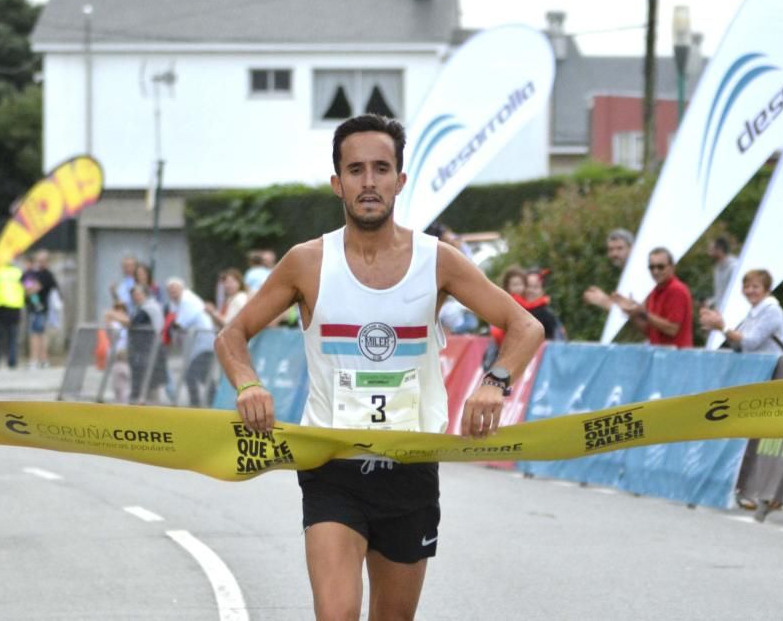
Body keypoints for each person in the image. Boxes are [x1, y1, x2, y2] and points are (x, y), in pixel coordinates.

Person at [214, 114, 543, 620]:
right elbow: (232, 336)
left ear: (400, 180)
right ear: (337, 183)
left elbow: (526, 327)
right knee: (338, 615)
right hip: (332, 467)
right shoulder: (306, 262)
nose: (369, 182)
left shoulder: (438, 260)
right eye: (356, 170)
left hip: (409, 466)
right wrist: (248, 383)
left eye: (382, 169)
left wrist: (494, 384)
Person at [611, 247, 693, 347]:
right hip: (660, 354)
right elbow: (649, 331)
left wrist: (643, 312)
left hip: (676, 357)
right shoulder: (654, 292)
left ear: (672, 267)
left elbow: (672, 329)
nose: (655, 271)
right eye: (651, 267)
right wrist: (631, 313)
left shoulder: (677, 290)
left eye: (660, 267)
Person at [699, 269, 783, 352]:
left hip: (774, 367)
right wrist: (718, 327)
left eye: (755, 287)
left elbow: (750, 343)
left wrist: (723, 328)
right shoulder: (752, 312)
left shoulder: (773, 311)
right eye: (746, 287)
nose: (750, 290)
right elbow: (737, 346)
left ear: (767, 290)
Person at [165, 277, 217, 407]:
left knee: (191, 375)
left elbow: (180, 324)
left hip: (204, 343)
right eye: (170, 290)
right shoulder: (177, 303)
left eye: (175, 289)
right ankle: (214, 400)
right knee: (203, 376)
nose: (172, 293)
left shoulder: (188, 300)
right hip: (196, 345)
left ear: (182, 288)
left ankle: (196, 404)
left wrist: (168, 328)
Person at [582, 228, 634, 311]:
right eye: (611, 249)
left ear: (632, 249)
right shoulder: (625, 274)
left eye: (619, 248)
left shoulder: (639, 274)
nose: (614, 254)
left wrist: (604, 301)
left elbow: (634, 313)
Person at [23, 250, 59, 369]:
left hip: (41, 309)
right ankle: (42, 360)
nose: (39, 263)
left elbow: (33, 289)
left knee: (36, 334)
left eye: (41, 261)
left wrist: (30, 288)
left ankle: (36, 360)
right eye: (37, 261)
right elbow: (28, 287)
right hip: (35, 307)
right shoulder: (33, 274)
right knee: (39, 333)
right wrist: (29, 287)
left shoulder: (46, 274)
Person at [0, 261, 26, 369]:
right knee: (13, 338)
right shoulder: (18, 273)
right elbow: (28, 286)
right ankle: (12, 362)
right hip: (14, 311)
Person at [708, 236, 738, 310]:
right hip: (719, 312)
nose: (709, 252)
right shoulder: (717, 268)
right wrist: (710, 302)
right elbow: (720, 293)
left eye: (711, 249)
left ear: (719, 250)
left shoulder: (734, 267)